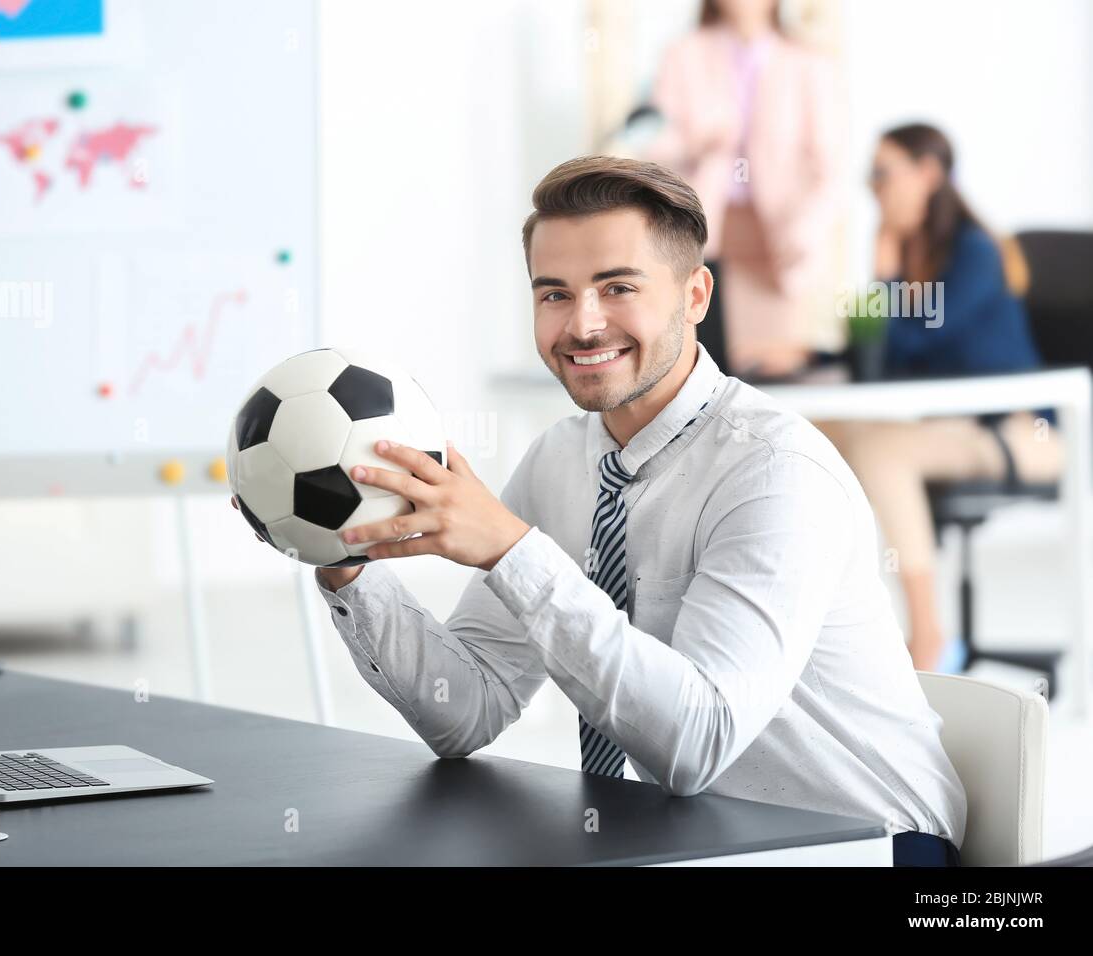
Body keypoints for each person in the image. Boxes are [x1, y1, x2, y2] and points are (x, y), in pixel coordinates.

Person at [236, 156, 966, 866]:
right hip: (705, 840)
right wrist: (346, 562)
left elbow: (698, 742)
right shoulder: (561, 460)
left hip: (869, 846)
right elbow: (464, 712)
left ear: (695, 297)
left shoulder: (775, 472)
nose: (583, 325)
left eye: (617, 288)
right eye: (554, 293)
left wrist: (512, 552)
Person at [817, 123, 1064, 673]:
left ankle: (928, 635)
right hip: (962, 428)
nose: (874, 189)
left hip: (1024, 433)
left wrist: (881, 275)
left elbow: (917, 336)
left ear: (929, 174)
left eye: (884, 174)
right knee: (817, 430)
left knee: (881, 450)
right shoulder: (917, 261)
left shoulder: (975, 252)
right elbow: (888, 361)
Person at [646, 0, 841, 379]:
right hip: (707, 234)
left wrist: (806, 228)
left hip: (780, 246)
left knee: (774, 375)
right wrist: (699, 143)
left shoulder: (808, 63)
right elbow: (655, 140)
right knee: (702, 372)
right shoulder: (684, 54)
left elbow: (830, 170)